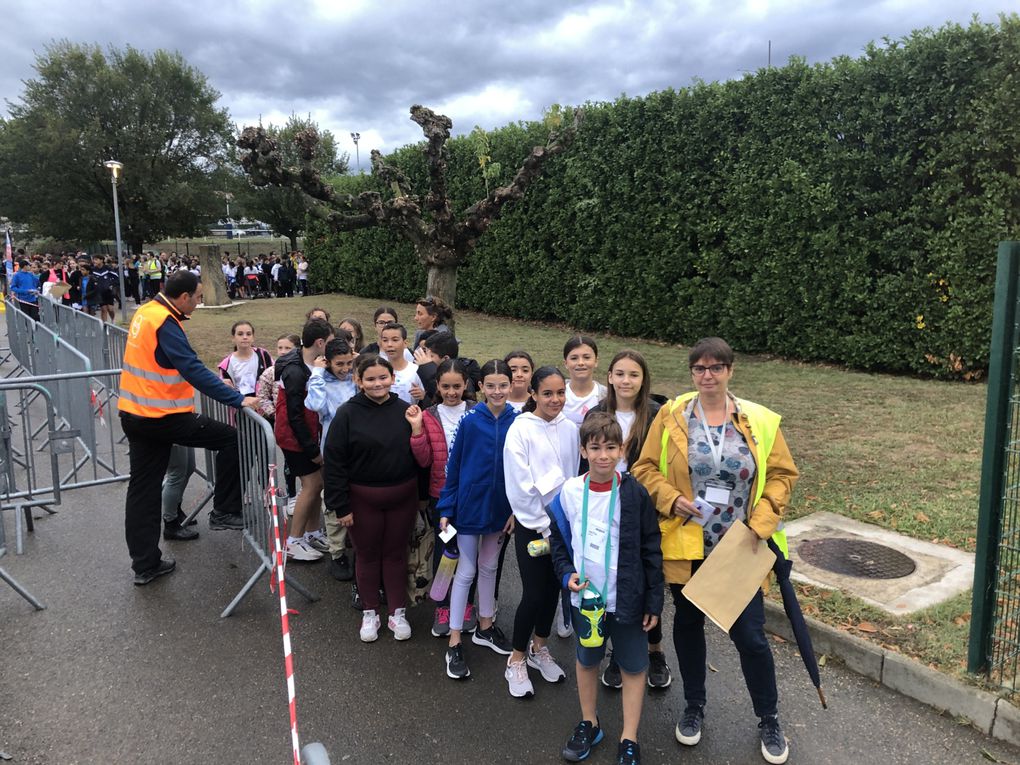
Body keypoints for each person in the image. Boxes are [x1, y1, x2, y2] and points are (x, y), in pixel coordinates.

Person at [631, 337, 799, 765]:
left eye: (716, 368)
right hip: (688, 544)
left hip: (740, 546)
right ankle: (693, 707)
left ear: (730, 370)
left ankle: (768, 716)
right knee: (688, 627)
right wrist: (670, 498)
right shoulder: (672, 416)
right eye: (700, 369)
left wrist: (760, 524)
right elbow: (644, 469)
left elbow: (781, 475)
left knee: (751, 637)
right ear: (692, 373)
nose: (708, 375)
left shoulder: (757, 419)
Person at [118, 271, 258, 585]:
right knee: (231, 439)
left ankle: (146, 564)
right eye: (197, 297)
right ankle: (224, 509)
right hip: (163, 417)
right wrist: (236, 399)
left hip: (134, 414)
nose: (198, 302)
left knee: (142, 490)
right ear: (183, 297)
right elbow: (191, 368)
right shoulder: (165, 322)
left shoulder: (146, 311)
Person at [549, 412, 663, 765]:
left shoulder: (634, 493)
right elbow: (558, 541)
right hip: (586, 600)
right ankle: (589, 722)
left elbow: (651, 546)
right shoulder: (569, 491)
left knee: (632, 666)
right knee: (587, 661)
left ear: (622, 449)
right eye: (595, 447)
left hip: (627, 598)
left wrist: (654, 601)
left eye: (610, 447)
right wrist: (566, 573)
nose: (603, 455)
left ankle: (629, 737)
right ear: (583, 450)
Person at [322, 354, 430, 642]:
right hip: (362, 499)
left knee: (396, 554)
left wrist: (421, 498)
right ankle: (370, 611)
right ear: (358, 381)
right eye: (370, 378)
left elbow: (421, 459)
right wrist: (340, 505)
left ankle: (397, 611)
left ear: (393, 379)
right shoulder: (347, 414)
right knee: (367, 555)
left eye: (383, 377)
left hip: (403, 497)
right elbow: (334, 463)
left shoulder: (408, 411)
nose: (377, 383)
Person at [584, 350, 671, 690]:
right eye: (619, 374)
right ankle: (617, 655)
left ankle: (655, 651)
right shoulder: (597, 413)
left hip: (643, 508)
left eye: (633, 375)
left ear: (643, 379)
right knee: (611, 581)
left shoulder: (655, 415)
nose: (625, 381)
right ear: (609, 377)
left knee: (647, 580)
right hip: (604, 509)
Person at [430, 360, 517, 680]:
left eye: (503, 385)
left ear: (511, 386)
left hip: (499, 511)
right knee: (465, 571)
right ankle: (454, 639)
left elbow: (522, 474)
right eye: (490, 385)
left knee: (490, 567)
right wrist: (446, 510)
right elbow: (452, 470)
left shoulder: (518, 422)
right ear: (480, 387)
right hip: (467, 510)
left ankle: (485, 626)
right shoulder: (469, 422)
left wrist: (514, 511)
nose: (497, 391)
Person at [502, 366, 578, 698]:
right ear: (533, 394)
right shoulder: (520, 431)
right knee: (534, 594)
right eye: (547, 393)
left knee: (553, 591)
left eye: (561, 392)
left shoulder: (571, 429)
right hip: (534, 527)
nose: (555, 399)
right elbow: (520, 487)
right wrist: (546, 527)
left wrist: (569, 523)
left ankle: (539, 647)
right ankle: (516, 659)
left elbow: (574, 476)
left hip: (566, 528)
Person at [415, 359, 473, 638]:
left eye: (457, 386)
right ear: (437, 386)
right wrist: (416, 431)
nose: (452, 392)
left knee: (470, 554)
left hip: (473, 499)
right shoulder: (428, 415)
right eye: (446, 386)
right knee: (446, 550)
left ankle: (466, 604)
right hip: (442, 499)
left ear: (466, 385)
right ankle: (443, 605)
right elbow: (424, 458)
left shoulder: (476, 412)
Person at [557, 335, 608, 637]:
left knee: (593, 544)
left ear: (596, 361)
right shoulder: (558, 392)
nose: (581, 363)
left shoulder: (603, 394)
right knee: (567, 544)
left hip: (596, 473)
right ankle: (566, 612)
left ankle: (595, 603)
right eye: (574, 358)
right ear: (566, 363)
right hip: (565, 475)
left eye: (586, 357)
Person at [275, 318, 334, 561]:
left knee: (317, 484)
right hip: (295, 439)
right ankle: (293, 540)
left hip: (308, 436)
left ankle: (312, 532)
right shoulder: (295, 371)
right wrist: (312, 450)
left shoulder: (312, 364)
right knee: (312, 485)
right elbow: (295, 416)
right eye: (330, 342)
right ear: (320, 343)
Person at [305, 338, 357, 581]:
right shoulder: (321, 381)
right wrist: (316, 372)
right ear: (328, 362)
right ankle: (337, 553)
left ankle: (355, 546)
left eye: (349, 362)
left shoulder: (355, 379)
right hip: (334, 451)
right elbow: (314, 404)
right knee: (335, 501)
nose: (345, 368)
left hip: (360, 450)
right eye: (339, 364)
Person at [218, 321, 274, 396]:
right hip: (241, 405)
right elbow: (224, 388)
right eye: (240, 334)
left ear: (253, 337)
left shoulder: (263, 355)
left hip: (264, 404)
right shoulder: (226, 364)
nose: (245, 337)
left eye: (248, 334)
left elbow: (275, 374)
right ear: (233, 338)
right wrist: (222, 383)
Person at [378, 322, 424, 404]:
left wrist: (422, 395)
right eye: (385, 340)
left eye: (395, 340)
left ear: (405, 343)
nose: (389, 344)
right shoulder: (377, 371)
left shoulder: (416, 370)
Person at [161, 445, 198, 541]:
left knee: (189, 467)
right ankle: (170, 523)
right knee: (176, 474)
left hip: (182, 431)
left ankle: (176, 511)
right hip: (170, 432)